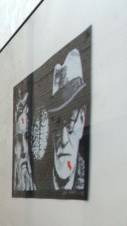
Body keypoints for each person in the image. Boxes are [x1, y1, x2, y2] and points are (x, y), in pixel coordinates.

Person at [38, 47, 89, 197]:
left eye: (71, 122)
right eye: (58, 124)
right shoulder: (39, 181)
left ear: (81, 119)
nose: (64, 140)